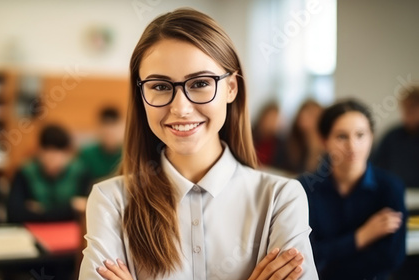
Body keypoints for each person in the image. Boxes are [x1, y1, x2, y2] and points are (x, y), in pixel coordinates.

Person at [79, 8, 317, 280]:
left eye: (201, 83)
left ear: (231, 88)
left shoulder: (281, 198)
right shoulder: (111, 200)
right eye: (159, 86)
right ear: (141, 94)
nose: (180, 108)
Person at [298, 100, 407, 280]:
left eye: (360, 135)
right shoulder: (305, 188)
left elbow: (391, 257)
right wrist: (362, 237)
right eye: (342, 136)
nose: (352, 146)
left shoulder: (391, 187)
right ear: (324, 141)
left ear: (372, 137)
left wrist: (332, 256)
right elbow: (306, 253)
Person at [7, 124, 90, 222]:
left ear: (68, 154)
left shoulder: (80, 172)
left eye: (57, 153)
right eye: (48, 152)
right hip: (34, 230)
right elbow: (15, 213)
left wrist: (41, 210)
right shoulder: (25, 172)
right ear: (39, 151)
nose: (52, 159)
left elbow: (87, 211)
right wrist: (70, 207)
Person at [373, 85, 419, 187]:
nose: (407, 114)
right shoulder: (392, 136)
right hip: (396, 192)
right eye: (405, 109)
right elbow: (376, 167)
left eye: (412, 109)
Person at [79, 107, 124, 196]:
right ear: (98, 128)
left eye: (113, 126)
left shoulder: (128, 153)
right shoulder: (87, 154)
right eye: (105, 126)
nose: (109, 131)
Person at [280, 100, 324, 174]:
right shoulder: (291, 142)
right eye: (303, 111)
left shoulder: (324, 147)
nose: (303, 115)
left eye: (310, 114)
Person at [252, 101, 283, 167]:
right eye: (270, 118)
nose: (272, 122)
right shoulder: (251, 135)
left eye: (275, 119)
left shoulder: (279, 144)